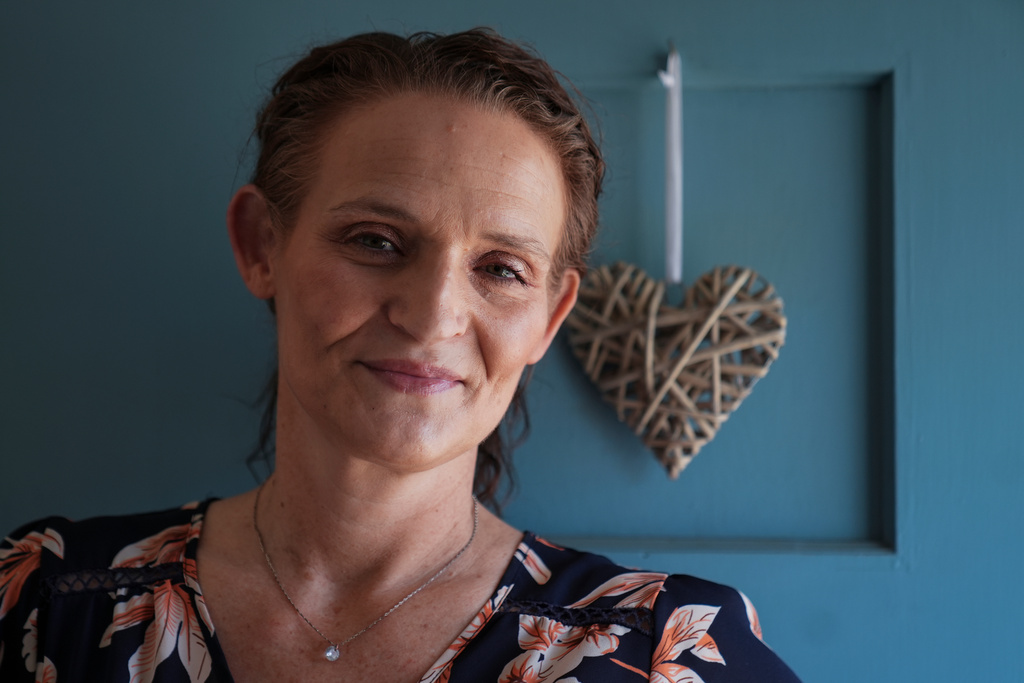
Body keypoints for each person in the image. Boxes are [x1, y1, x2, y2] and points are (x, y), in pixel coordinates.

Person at [0, 29, 800, 682]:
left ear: (550, 315)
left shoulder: (666, 654)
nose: (432, 316)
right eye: (376, 241)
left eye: (500, 269)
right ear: (261, 246)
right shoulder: (44, 604)